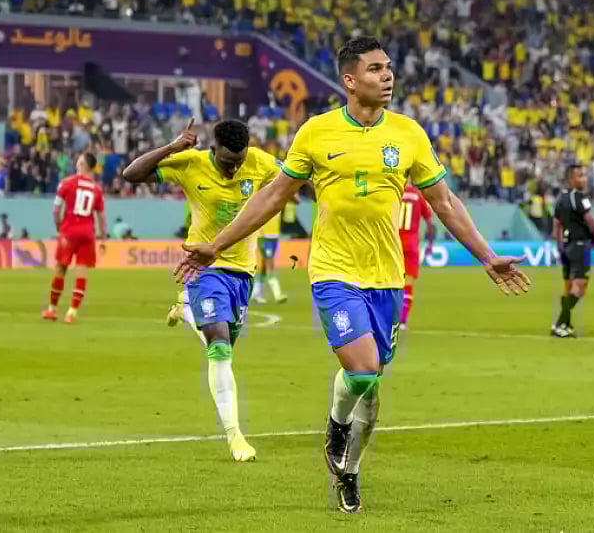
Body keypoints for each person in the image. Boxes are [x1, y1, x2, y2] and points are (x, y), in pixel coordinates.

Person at [175, 36, 530, 513]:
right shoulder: (316, 133)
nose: (387, 76)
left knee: (372, 385)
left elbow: (443, 201)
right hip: (334, 272)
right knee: (361, 371)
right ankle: (336, 426)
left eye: (389, 67)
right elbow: (273, 196)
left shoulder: (408, 134)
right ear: (350, 80)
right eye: (376, 69)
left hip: (386, 276)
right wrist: (215, 245)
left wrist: (487, 256)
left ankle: (350, 472)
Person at [124, 118, 280, 463]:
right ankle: (235, 436)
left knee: (222, 343)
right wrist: (171, 147)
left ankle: (186, 313)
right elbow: (131, 175)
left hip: (243, 273)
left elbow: (296, 179)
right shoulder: (191, 164)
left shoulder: (261, 162)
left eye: (239, 162)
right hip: (203, 267)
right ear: (212, 150)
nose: (233, 169)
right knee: (220, 348)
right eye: (227, 162)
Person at [45, 152, 106, 323]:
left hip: (69, 231)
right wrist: (102, 239)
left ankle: (52, 310)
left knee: (60, 269)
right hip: (87, 233)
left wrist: (59, 228)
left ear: (81, 164)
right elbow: (101, 216)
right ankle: (71, 313)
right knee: (81, 271)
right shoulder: (97, 189)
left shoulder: (67, 183)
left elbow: (56, 210)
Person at [552, 164, 594, 338]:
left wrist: (559, 248)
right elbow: (592, 222)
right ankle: (560, 324)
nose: (584, 179)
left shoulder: (561, 198)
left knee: (569, 286)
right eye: (580, 176)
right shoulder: (579, 197)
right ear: (571, 179)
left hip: (566, 247)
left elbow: (556, 225)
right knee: (580, 286)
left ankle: (566, 323)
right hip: (580, 245)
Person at [397, 182, 436, 330]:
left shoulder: (394, 193)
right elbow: (431, 224)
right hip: (411, 246)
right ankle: (402, 321)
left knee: (389, 282)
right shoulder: (418, 196)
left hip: (393, 244)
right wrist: (430, 245)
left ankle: (383, 319)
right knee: (408, 284)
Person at [250, 208, 287, 305]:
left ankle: (256, 293)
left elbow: (296, 200)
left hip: (274, 236)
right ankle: (277, 294)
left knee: (263, 267)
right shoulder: (264, 197)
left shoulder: (279, 196)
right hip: (264, 237)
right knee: (270, 264)